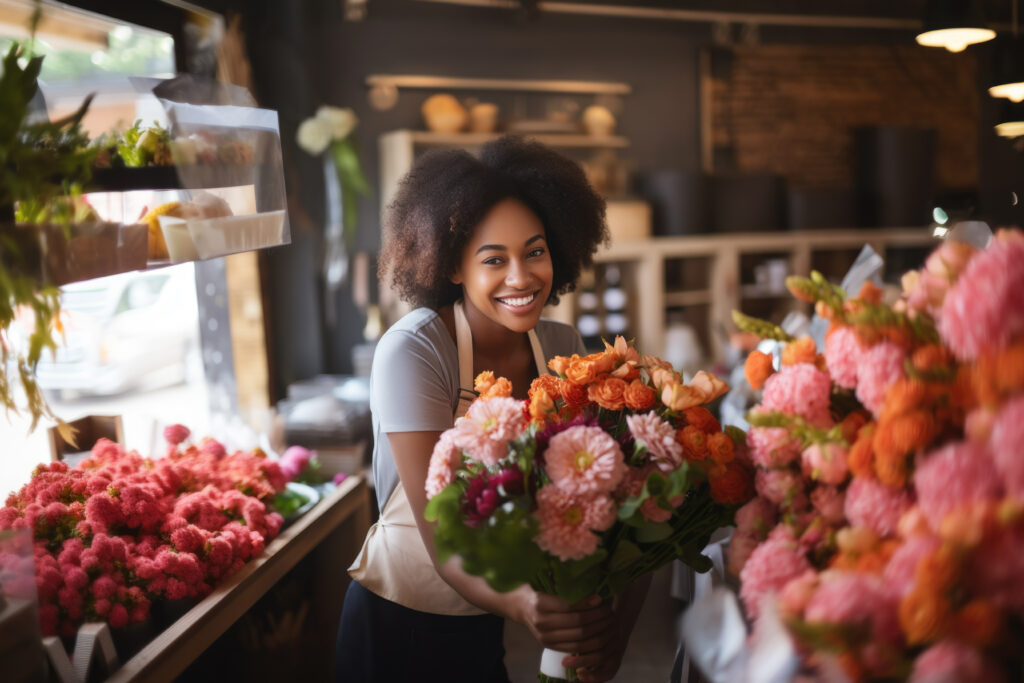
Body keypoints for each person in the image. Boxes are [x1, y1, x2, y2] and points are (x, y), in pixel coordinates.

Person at [335, 136, 651, 683]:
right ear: (453, 266)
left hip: (484, 618)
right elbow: (442, 534)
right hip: (399, 624)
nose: (521, 277)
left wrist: (613, 626)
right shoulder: (413, 350)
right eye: (493, 260)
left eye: (534, 251)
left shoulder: (562, 345)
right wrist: (524, 605)